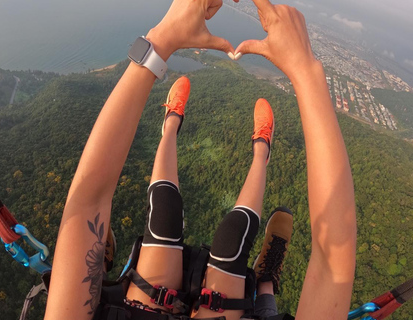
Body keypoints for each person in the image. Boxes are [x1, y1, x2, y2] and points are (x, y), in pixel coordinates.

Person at [44, 0, 357, 319]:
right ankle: (262, 151)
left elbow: (88, 201)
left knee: (164, 209)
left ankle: (171, 123)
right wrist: (306, 71)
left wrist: (162, 40)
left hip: (145, 306)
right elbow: (334, 259)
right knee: (235, 235)